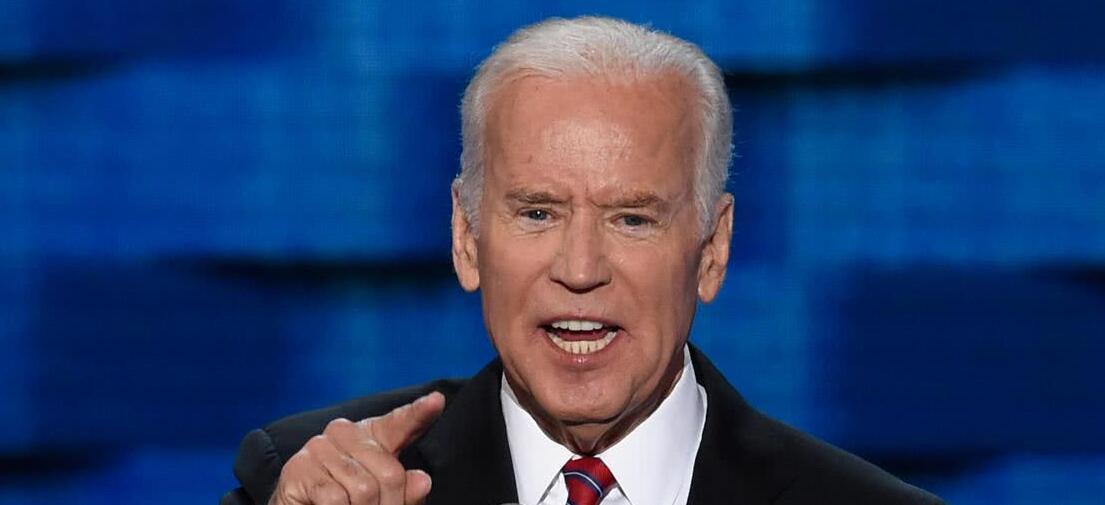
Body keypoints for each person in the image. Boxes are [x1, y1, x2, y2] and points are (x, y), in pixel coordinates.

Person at [222, 16, 943, 505]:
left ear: (712, 250)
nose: (580, 267)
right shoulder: (302, 482)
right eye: (538, 212)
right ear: (466, 237)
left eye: (632, 218)